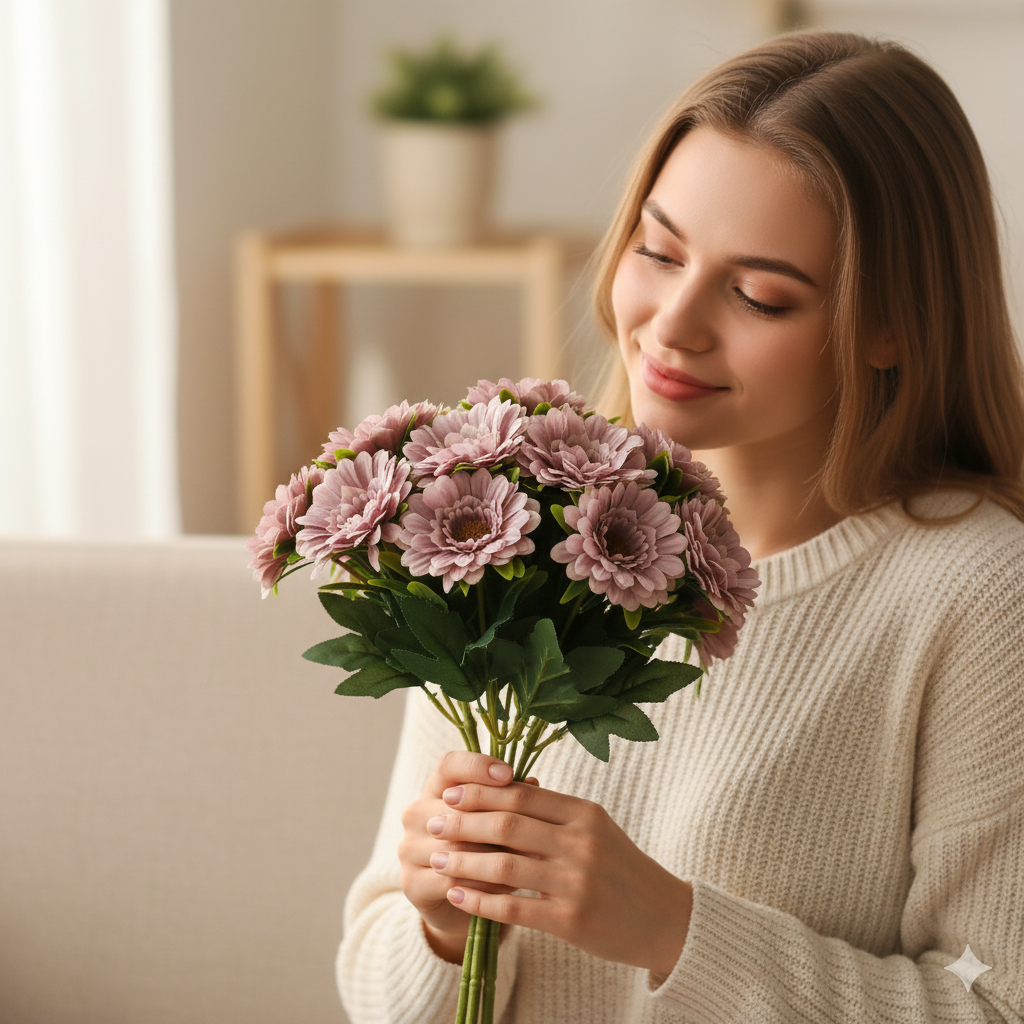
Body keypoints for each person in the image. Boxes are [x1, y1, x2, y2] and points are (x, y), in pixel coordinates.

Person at [336, 30, 1024, 1023]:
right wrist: (442, 926)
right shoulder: (509, 530)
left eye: (759, 294)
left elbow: (995, 1004)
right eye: (656, 251)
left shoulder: (977, 594)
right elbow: (377, 990)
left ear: (893, 325)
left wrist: (669, 925)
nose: (673, 322)